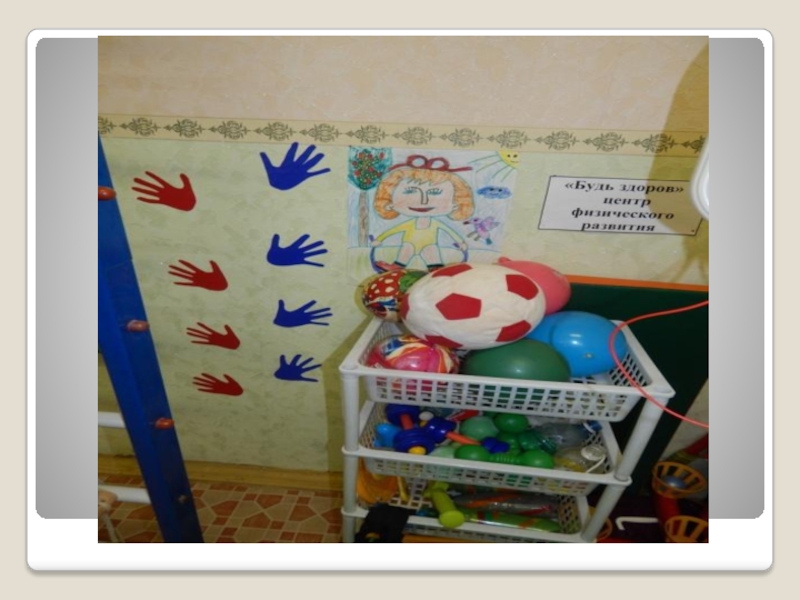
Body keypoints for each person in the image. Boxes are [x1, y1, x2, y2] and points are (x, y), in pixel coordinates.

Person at [371, 155, 474, 271]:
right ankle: (397, 266)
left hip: (429, 245)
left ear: (456, 203)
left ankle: (436, 270)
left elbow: (450, 232)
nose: (423, 201)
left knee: (434, 262)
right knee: (404, 254)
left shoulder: (435, 224)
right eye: (410, 191)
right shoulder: (409, 224)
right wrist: (379, 239)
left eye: (434, 193)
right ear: (390, 200)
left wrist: (460, 242)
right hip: (409, 244)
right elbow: (393, 230)